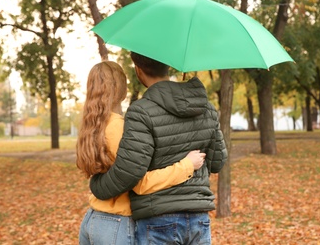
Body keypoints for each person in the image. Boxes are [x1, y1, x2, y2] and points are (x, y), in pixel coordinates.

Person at [89, 52, 228, 245]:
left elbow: (131, 170)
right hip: (198, 218)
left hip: (157, 219)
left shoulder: (140, 111)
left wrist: (97, 186)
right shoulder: (207, 109)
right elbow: (217, 162)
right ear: (169, 66)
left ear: (138, 71)